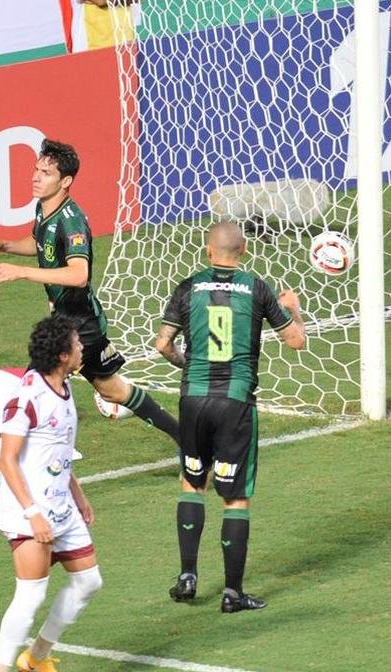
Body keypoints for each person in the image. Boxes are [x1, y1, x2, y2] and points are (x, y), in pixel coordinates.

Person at [0, 138, 180, 508]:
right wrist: (5, 245)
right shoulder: (45, 210)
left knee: (34, 391)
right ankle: (188, 441)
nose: (36, 177)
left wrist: (20, 272)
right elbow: (40, 243)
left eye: (46, 173)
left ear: (65, 181)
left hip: (78, 327)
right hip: (70, 321)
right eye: (37, 169)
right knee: (114, 392)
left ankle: (7, 485)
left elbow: (78, 274)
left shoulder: (72, 222)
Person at [153, 221, 306, 613]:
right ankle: (233, 593)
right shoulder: (256, 288)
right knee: (235, 497)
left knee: (192, 483)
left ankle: (188, 575)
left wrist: (190, 368)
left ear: (208, 251)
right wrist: (295, 310)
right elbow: (296, 342)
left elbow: (162, 344)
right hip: (235, 402)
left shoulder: (188, 286)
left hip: (193, 400)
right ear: (244, 251)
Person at [0, 315, 102, 672]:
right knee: (31, 594)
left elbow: (60, 452)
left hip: (61, 506)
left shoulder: (66, 389)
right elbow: (7, 460)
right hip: (29, 511)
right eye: (76, 343)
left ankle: (36, 658)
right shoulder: (28, 397)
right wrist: (32, 513)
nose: (82, 346)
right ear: (61, 355)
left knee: (87, 581)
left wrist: (78, 494)